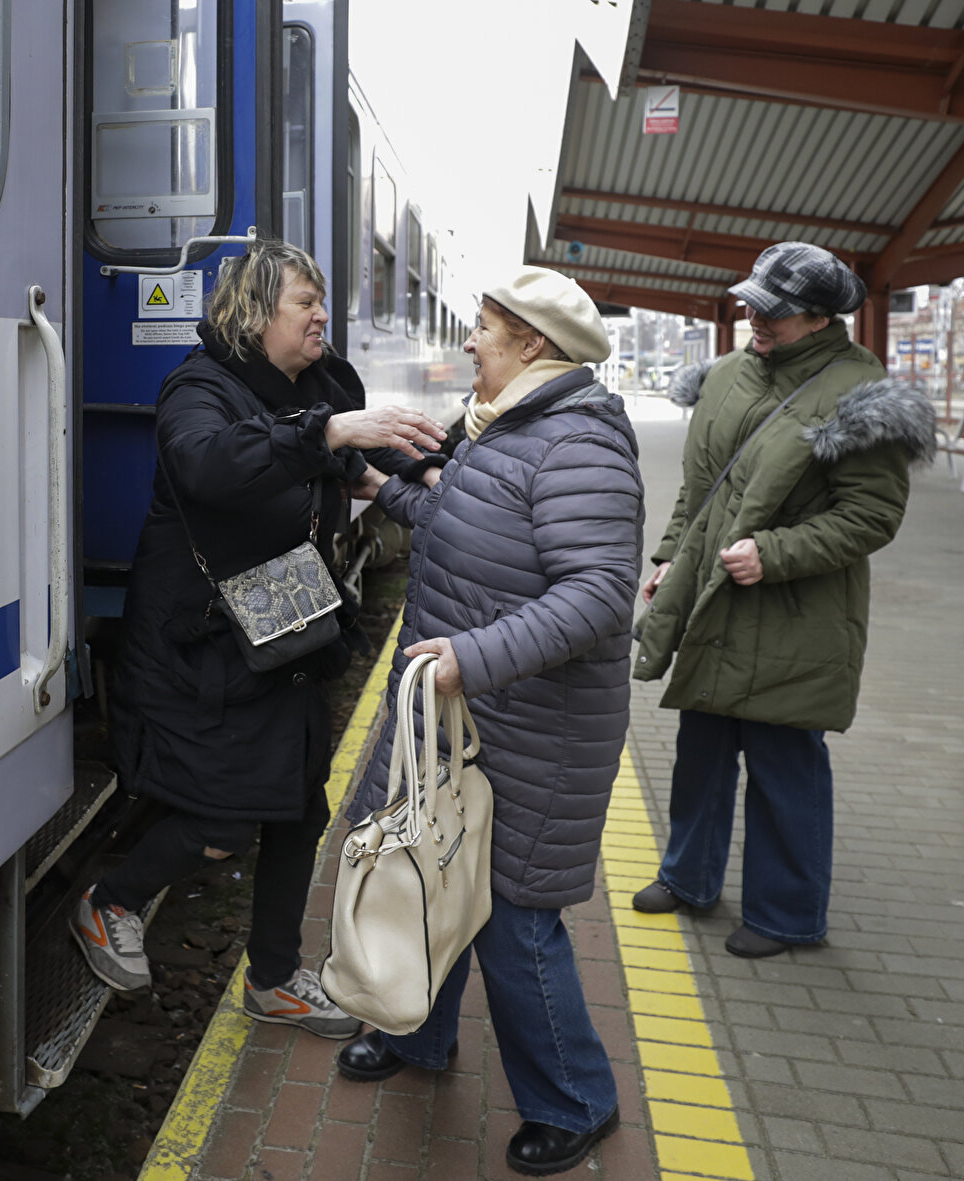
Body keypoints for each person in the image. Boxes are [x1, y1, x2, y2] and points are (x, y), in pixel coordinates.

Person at [69, 239, 447, 1038]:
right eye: (304, 303)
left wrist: (435, 470)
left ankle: (273, 979)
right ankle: (112, 902)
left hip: (285, 620)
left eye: (320, 300)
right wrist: (329, 437)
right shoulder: (197, 390)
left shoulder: (318, 382)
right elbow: (210, 464)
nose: (321, 315)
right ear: (253, 314)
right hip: (203, 638)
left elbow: (368, 444)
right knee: (220, 817)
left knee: (298, 805)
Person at [339, 266, 644, 1176]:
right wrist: (379, 491)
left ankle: (576, 1100)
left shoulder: (576, 444)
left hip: (533, 732)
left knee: (515, 922)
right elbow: (461, 519)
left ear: (533, 346)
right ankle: (419, 1037)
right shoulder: (513, 424)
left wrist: (473, 656)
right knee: (438, 875)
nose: (468, 342)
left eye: (483, 328)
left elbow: (598, 595)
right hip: (477, 718)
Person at [631, 241, 936, 958]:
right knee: (700, 749)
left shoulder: (861, 394)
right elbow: (700, 487)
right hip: (714, 596)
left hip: (794, 611)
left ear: (822, 318)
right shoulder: (730, 375)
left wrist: (774, 553)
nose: (753, 318)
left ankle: (788, 913)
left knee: (783, 762)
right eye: (751, 303)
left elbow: (871, 516)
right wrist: (672, 556)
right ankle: (688, 876)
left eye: (772, 311)